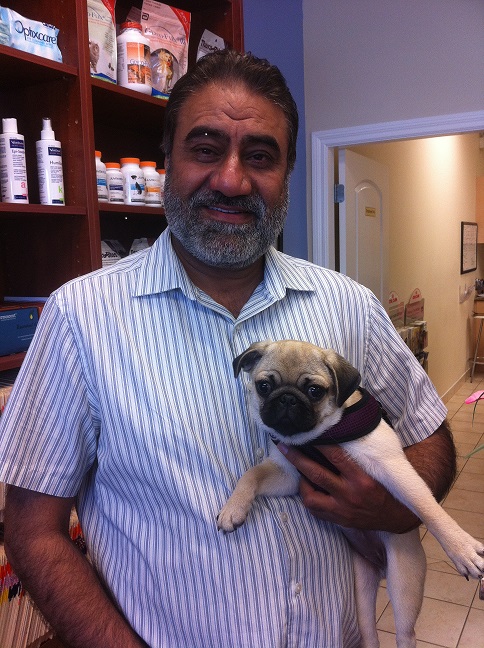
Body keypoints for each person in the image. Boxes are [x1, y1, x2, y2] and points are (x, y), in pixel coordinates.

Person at [0, 49, 455, 648]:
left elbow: (430, 434)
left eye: (260, 156)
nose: (232, 180)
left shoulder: (351, 305)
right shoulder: (78, 319)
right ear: (168, 159)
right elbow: (33, 532)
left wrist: (393, 508)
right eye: (206, 148)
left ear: (287, 172)